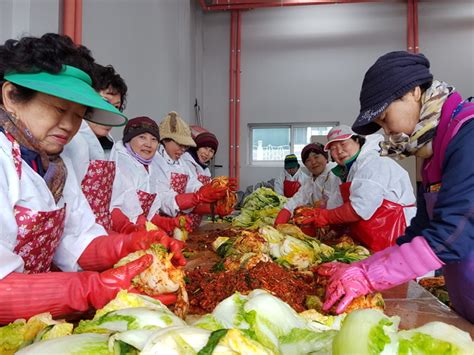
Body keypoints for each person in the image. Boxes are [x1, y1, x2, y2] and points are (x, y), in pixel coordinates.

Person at [0, 33, 184, 323]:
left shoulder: (54, 165)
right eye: (60, 109)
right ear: (11, 96)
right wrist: (91, 289)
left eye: (78, 115)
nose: (69, 126)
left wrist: (132, 246)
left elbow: (78, 238)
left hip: (27, 323)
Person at [318, 51, 474, 323]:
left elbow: (452, 236)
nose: (386, 131)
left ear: (414, 92)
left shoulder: (467, 136)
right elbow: (422, 229)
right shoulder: (434, 149)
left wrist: (369, 277)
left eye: (384, 117)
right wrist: (363, 265)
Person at [297, 124, 416, 252]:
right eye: (333, 148)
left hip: (395, 233)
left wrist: (326, 216)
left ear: (357, 141)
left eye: (343, 144)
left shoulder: (373, 163)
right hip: (371, 236)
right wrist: (334, 229)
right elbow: (337, 204)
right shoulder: (348, 170)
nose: (339, 151)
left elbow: (360, 208)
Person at [62, 63, 128, 229]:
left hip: (99, 233)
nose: (109, 113)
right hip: (77, 238)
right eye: (103, 102)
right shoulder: (73, 141)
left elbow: (118, 194)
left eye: (116, 107)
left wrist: (126, 223)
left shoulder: (110, 144)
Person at [109, 116, 191, 234]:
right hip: (120, 236)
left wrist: (168, 223)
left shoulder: (152, 165)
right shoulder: (121, 162)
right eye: (142, 137)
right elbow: (125, 210)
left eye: (153, 139)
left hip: (142, 232)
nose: (148, 144)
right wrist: (140, 229)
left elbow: (150, 212)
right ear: (128, 139)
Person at [154, 111, 228, 229]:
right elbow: (163, 199)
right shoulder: (156, 162)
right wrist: (197, 197)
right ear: (165, 140)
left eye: (186, 146)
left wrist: (207, 191)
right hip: (161, 224)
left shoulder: (181, 162)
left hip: (181, 222)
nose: (183, 150)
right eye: (180, 144)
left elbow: (191, 183)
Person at [274, 143, 342, 226]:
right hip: (321, 225)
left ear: (325, 157)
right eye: (308, 160)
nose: (313, 162)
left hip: (337, 224)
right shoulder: (311, 180)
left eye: (316, 157)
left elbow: (338, 204)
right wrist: (286, 210)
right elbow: (299, 198)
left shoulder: (336, 175)